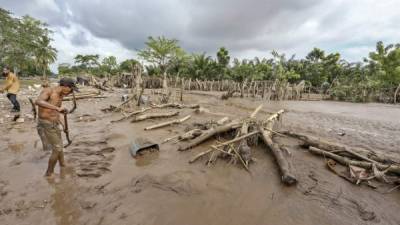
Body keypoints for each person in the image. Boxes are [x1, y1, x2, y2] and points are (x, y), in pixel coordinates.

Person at [35, 77, 79, 177]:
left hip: (55, 123)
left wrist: (63, 125)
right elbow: (38, 101)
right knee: (57, 148)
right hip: (46, 124)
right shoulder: (49, 91)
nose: (71, 92)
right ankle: (49, 173)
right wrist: (57, 108)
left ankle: (62, 165)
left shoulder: (60, 96)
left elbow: (56, 113)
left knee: (59, 146)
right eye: (71, 89)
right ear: (65, 86)